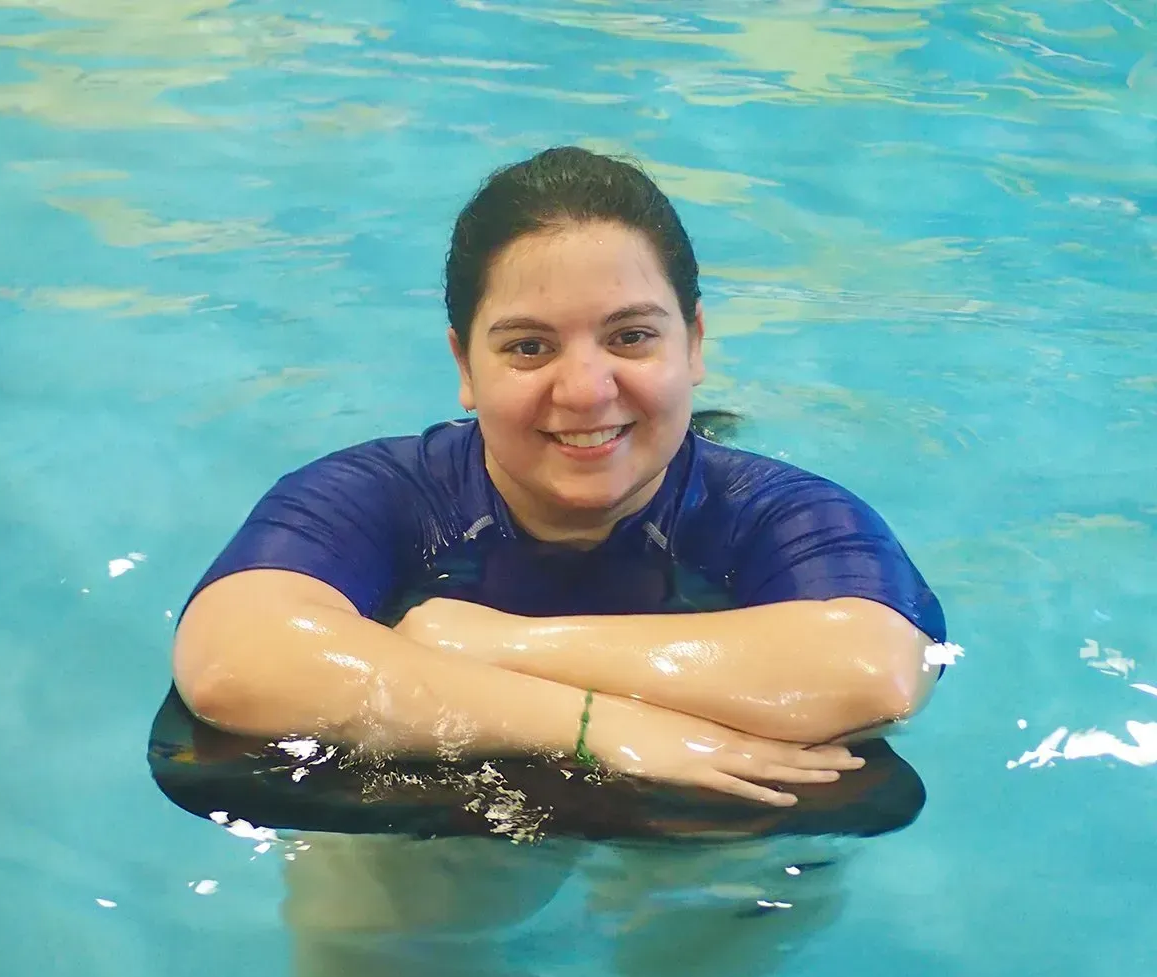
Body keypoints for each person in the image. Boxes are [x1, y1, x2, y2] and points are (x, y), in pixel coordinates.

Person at [171, 145, 948, 811]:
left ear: (695, 345)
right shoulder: (381, 493)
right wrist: (593, 728)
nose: (585, 390)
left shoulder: (771, 510)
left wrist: (484, 642)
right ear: (463, 366)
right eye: (529, 348)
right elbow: (234, 661)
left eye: (632, 337)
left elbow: (873, 674)